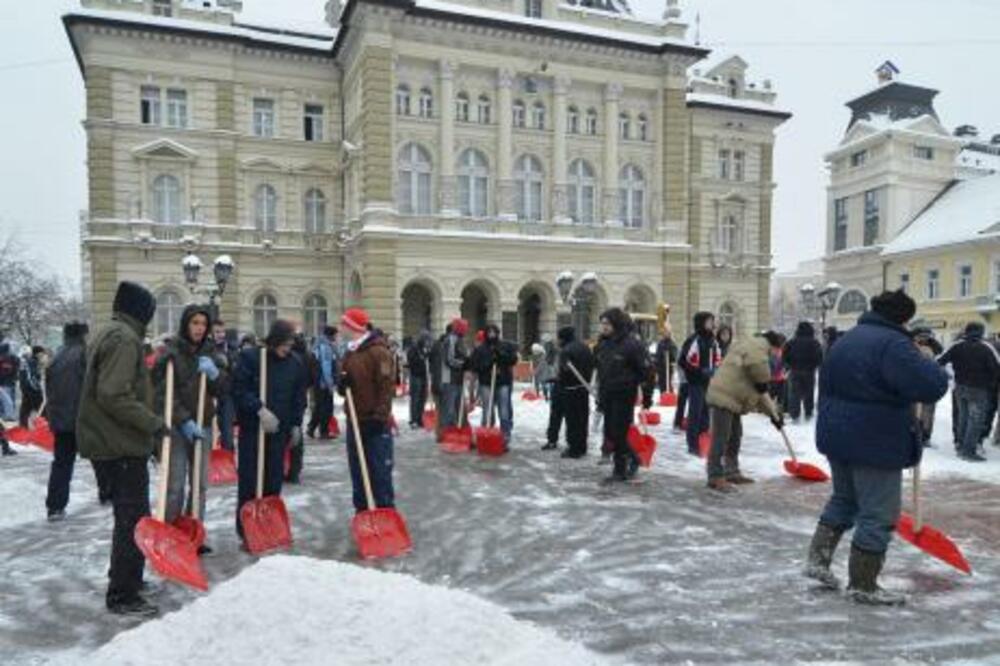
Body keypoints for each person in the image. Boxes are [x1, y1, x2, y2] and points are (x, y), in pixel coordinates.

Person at [805, 290, 948, 605]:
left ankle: (818, 560)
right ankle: (863, 583)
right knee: (878, 512)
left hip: (837, 434)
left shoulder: (847, 339)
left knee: (844, 499)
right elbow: (932, 386)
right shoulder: (894, 344)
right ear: (904, 317)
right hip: (874, 438)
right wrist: (925, 359)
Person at [77, 281, 166, 617]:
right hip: (119, 444)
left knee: (127, 517)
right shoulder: (125, 339)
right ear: (139, 310)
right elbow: (114, 394)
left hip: (109, 441)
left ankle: (127, 579)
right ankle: (123, 595)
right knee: (132, 519)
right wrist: (153, 423)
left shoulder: (108, 332)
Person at [152, 304, 227, 553]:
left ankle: (194, 533)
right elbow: (162, 394)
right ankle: (170, 533)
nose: (199, 328)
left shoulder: (211, 353)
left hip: (203, 427)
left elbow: (224, 390)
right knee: (174, 486)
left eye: (203, 324)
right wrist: (183, 420)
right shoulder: (170, 353)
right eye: (195, 323)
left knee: (200, 485)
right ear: (186, 324)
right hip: (176, 428)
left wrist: (215, 375)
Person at [232, 320, 307, 544]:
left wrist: (295, 424)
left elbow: (298, 397)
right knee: (250, 479)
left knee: (273, 479)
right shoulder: (252, 358)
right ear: (274, 340)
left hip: (279, 431)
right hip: (253, 429)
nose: (287, 348)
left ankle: (268, 526)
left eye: (291, 343)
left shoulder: (295, 363)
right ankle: (247, 529)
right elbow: (239, 389)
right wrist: (259, 410)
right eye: (284, 343)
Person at [704, 331, 785, 492]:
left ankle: (731, 471)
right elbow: (760, 378)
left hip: (733, 398)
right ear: (774, 346)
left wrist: (774, 415)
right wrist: (764, 381)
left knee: (735, 436)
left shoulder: (755, 351)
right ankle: (714, 476)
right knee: (721, 437)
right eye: (779, 350)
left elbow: (760, 393)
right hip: (723, 395)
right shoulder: (757, 348)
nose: (778, 354)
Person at [45, 322, 109, 520]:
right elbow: (94, 386)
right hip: (83, 418)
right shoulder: (85, 354)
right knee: (100, 456)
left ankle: (55, 506)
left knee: (62, 463)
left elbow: (49, 390)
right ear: (83, 334)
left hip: (61, 419)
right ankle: (107, 493)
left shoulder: (56, 357)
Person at [337, 308, 396, 512]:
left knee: (379, 470)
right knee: (358, 470)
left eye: (343, 324)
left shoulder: (378, 352)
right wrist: (342, 384)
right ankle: (362, 511)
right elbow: (348, 381)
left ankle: (384, 511)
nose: (340, 328)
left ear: (352, 326)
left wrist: (379, 417)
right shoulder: (351, 351)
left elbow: (386, 388)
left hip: (375, 422)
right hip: (355, 419)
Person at [594, 308, 654, 482]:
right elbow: (602, 371)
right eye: (602, 323)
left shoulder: (632, 345)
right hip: (608, 394)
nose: (603, 327)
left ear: (616, 324)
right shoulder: (605, 344)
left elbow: (647, 372)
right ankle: (632, 460)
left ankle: (620, 470)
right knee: (611, 433)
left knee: (618, 433)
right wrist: (601, 394)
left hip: (624, 395)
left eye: (607, 323)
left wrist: (647, 397)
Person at [937, 321, 1000, 462]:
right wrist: (991, 383)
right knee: (976, 420)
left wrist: (951, 376)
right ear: (981, 332)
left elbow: (939, 361)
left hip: (960, 387)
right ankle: (969, 451)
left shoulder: (957, 345)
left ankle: (960, 445)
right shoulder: (986, 347)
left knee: (963, 417)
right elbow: (997, 368)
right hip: (979, 389)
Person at [544, 326, 596, 458]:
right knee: (582, 419)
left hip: (569, 388)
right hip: (583, 387)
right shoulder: (585, 347)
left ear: (563, 338)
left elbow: (565, 372)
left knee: (572, 420)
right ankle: (582, 446)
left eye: (558, 337)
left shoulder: (566, 351)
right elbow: (592, 365)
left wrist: (558, 380)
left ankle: (574, 448)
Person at [678, 312, 721, 456]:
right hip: (695, 382)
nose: (711, 324)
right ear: (701, 323)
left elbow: (717, 358)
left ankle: (703, 441)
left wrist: (715, 369)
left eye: (712, 321)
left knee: (705, 414)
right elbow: (683, 361)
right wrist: (700, 371)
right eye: (709, 321)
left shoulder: (713, 341)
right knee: (695, 414)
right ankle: (693, 445)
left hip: (709, 382)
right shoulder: (694, 340)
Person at [470, 324, 519, 446]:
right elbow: (475, 366)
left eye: (494, 332)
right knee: (487, 409)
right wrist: (487, 364)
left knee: (504, 409)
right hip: (486, 383)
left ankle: (505, 435)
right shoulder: (480, 349)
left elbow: (513, 360)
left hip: (502, 382)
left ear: (497, 333)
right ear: (486, 334)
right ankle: (487, 432)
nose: (492, 335)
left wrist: (501, 355)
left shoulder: (505, 346)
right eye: (489, 332)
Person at [783, 321, 824, 422]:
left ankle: (794, 414)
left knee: (794, 393)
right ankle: (808, 413)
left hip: (795, 370)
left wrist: (789, 365)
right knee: (809, 393)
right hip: (809, 371)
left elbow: (785, 356)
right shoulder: (815, 343)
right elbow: (819, 357)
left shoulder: (791, 342)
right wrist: (814, 366)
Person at [912, 327, 943, 447]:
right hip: (914, 385)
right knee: (914, 412)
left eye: (927, 336)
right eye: (921, 336)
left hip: (928, 384)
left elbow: (939, 351)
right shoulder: (909, 346)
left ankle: (925, 437)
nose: (924, 339)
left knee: (928, 413)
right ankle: (915, 436)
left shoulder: (933, 347)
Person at [438, 319, 469, 434]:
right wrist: (463, 364)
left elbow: (464, 355)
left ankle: (457, 430)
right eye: (464, 328)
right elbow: (449, 359)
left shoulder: (460, 340)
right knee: (449, 408)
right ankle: (448, 432)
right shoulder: (451, 339)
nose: (466, 331)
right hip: (450, 378)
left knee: (458, 407)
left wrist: (467, 362)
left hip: (459, 378)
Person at [308, 326, 339, 440]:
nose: (337, 337)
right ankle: (323, 431)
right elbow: (326, 367)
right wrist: (330, 384)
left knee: (320, 406)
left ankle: (312, 428)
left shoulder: (319, 344)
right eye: (336, 335)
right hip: (323, 383)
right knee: (326, 408)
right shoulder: (325, 347)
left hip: (318, 382)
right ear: (331, 335)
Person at [212, 320, 238, 452]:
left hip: (227, 394)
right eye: (217, 332)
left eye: (222, 332)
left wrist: (229, 363)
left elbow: (237, 370)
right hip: (210, 395)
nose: (220, 335)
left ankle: (228, 455)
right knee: (211, 429)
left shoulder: (231, 348)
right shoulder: (206, 348)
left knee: (227, 430)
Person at [406, 331, 433, 429]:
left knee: (422, 398)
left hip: (424, 376)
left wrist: (427, 355)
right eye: (426, 340)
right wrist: (421, 358)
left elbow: (429, 360)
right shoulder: (413, 349)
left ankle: (420, 418)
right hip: (415, 376)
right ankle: (413, 419)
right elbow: (411, 361)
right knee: (415, 398)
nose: (427, 343)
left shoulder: (425, 349)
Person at [18, 346, 46, 428]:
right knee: (41, 409)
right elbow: (32, 378)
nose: (43, 355)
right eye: (42, 353)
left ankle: (23, 426)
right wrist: (39, 388)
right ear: (38, 353)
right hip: (32, 391)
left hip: (25, 389)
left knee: (25, 409)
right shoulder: (32, 362)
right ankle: (43, 426)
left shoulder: (28, 362)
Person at [654, 327, 678, 398]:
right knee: (662, 382)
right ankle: (663, 395)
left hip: (669, 367)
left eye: (667, 332)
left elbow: (674, 355)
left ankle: (670, 395)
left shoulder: (672, 344)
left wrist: (670, 353)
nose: (666, 334)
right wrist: (656, 366)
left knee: (669, 382)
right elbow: (657, 356)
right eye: (665, 333)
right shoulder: (660, 344)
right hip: (661, 367)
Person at [0, 340, 19, 418]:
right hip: (10, 382)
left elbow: (6, 371)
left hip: (5, 383)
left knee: (6, 401)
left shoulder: (5, 358)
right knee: (9, 401)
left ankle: (7, 416)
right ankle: (9, 416)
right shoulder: (14, 357)